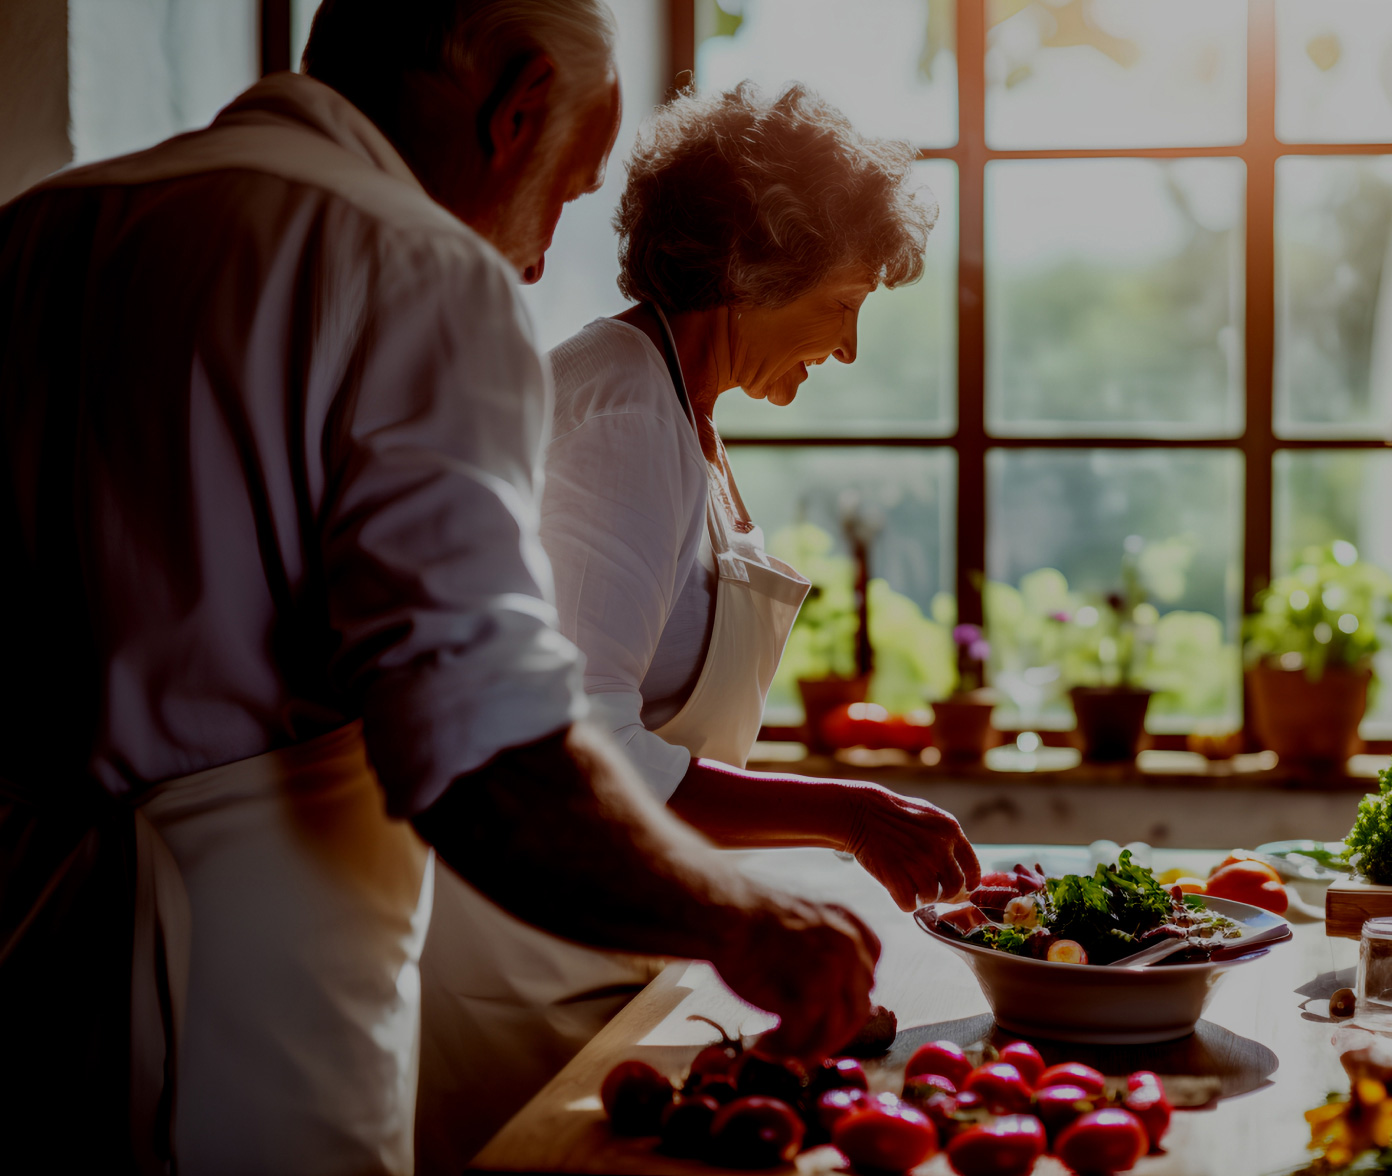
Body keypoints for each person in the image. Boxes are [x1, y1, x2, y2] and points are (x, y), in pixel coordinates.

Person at [0, 3, 878, 1173]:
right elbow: (483, 758)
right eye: (565, 190)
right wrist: (741, 922)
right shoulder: (417, 267)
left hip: (26, 958)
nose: (533, 257)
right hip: (246, 1008)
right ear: (515, 111)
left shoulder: (33, 233)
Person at [414, 80, 982, 1172]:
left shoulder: (680, 406)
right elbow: (584, 746)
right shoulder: (622, 412)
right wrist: (849, 813)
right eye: (845, 300)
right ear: (751, 264)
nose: (850, 348)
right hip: (536, 977)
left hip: (612, 949)